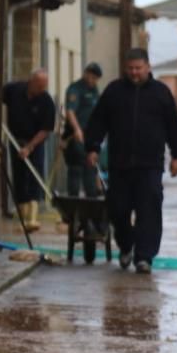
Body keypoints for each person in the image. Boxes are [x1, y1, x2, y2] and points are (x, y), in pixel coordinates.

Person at [85, 48, 177, 274]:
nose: (134, 73)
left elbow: (174, 125)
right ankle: (126, 244)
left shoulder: (161, 93)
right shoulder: (114, 91)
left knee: (149, 210)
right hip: (119, 164)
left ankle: (144, 257)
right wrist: (92, 147)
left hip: (150, 164)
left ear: (148, 67)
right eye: (130, 69)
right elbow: (98, 121)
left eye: (138, 68)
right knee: (117, 209)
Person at [1, 68, 56, 232]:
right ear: (31, 82)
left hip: (35, 142)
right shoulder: (13, 90)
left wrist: (30, 147)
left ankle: (32, 217)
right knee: (19, 176)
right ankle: (23, 217)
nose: (41, 90)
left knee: (34, 175)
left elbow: (46, 129)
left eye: (44, 86)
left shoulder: (46, 101)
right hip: (15, 140)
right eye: (39, 86)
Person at [62, 62, 104, 235]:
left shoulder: (94, 90)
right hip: (75, 137)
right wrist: (77, 129)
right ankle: (72, 211)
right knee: (76, 169)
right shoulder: (75, 89)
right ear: (86, 73)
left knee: (90, 170)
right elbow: (70, 112)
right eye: (92, 77)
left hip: (91, 137)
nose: (93, 81)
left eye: (96, 78)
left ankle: (92, 209)